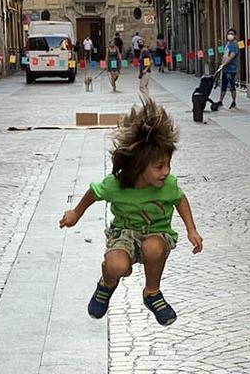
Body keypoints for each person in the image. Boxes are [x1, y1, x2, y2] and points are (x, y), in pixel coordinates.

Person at [60, 99, 204, 326]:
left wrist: (191, 230)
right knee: (117, 266)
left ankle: (152, 293)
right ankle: (106, 285)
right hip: (123, 234)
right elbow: (93, 193)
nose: (166, 172)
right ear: (139, 166)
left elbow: (180, 199)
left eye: (168, 164)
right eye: (159, 166)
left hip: (157, 232)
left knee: (152, 247)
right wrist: (75, 214)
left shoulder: (168, 185)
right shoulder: (116, 184)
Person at [219, 30, 241, 108]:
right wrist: (222, 64)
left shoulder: (235, 45)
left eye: (231, 34)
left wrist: (224, 63)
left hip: (231, 69)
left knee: (231, 86)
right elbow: (225, 55)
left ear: (235, 35)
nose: (229, 35)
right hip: (225, 69)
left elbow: (232, 56)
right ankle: (220, 101)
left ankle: (234, 102)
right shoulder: (228, 44)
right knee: (223, 85)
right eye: (228, 34)